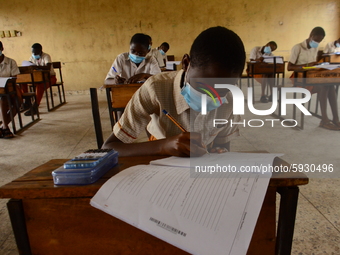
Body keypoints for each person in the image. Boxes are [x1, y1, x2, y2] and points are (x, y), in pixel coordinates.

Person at [102, 26, 245, 157]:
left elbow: (222, 145)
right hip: (158, 153)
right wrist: (163, 146)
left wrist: (220, 151)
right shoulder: (155, 88)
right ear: (186, 63)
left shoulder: (232, 99)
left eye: (220, 93)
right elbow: (109, 147)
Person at [288, 27, 340, 130]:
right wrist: (307, 64)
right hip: (299, 78)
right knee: (323, 87)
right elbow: (289, 67)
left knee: (331, 86)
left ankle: (336, 119)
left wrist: (320, 65)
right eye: (316, 40)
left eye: (319, 41)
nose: (317, 43)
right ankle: (324, 121)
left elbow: (313, 65)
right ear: (311, 36)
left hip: (312, 76)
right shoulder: (297, 47)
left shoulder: (315, 48)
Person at [21, 43, 57, 116]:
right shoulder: (32, 57)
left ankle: (35, 106)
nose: (34, 54)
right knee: (23, 82)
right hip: (37, 78)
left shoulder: (46, 56)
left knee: (40, 85)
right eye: (33, 52)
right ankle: (27, 101)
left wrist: (36, 67)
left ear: (40, 50)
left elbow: (48, 67)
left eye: (36, 52)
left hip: (50, 78)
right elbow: (30, 66)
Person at [0, 41, 22, 138]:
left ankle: (2, 125)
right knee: (3, 99)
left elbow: (14, 78)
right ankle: (5, 127)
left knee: (18, 102)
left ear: (2, 49)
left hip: (10, 86)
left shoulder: (11, 62)